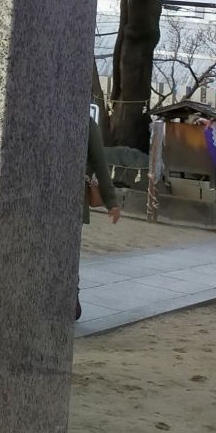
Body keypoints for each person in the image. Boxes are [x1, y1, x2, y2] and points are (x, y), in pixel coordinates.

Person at [77, 110, 121, 321]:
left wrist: (111, 202)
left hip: (75, 200)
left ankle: (71, 296)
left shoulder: (87, 123)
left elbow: (100, 164)